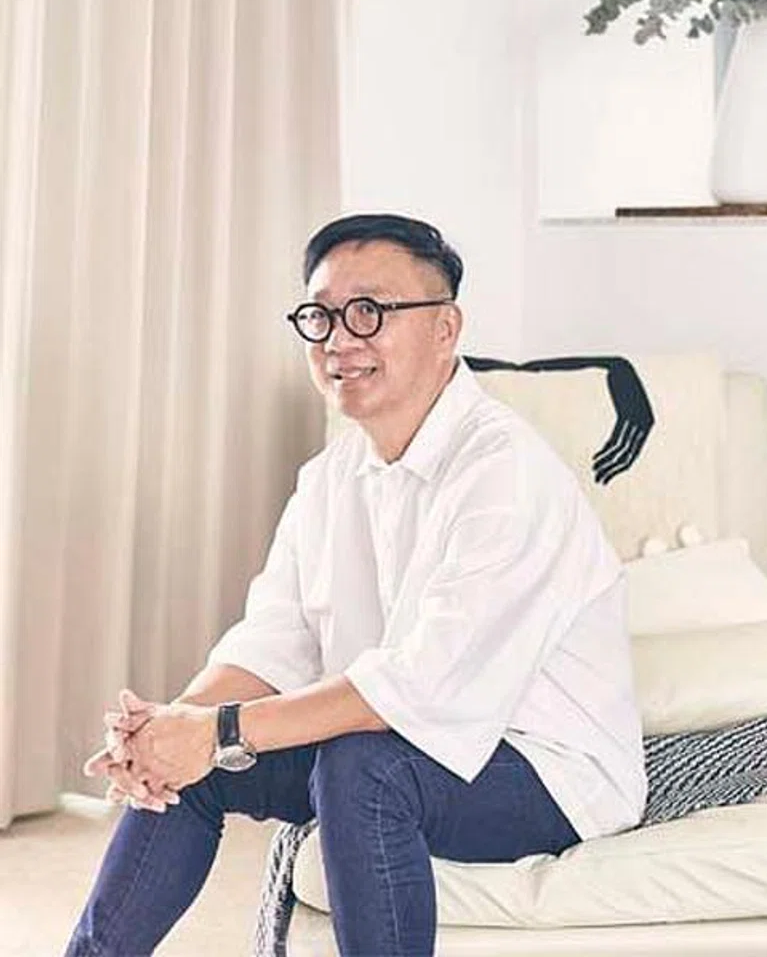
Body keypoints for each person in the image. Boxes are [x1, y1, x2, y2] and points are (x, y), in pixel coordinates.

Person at [66, 214, 645, 957]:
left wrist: (220, 730)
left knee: (360, 766)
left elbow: (415, 687)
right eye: (320, 316)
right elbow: (271, 644)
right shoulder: (330, 478)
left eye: (370, 312)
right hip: (401, 740)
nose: (339, 339)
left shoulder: (507, 474)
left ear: (446, 327)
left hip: (546, 769)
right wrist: (173, 727)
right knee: (204, 768)